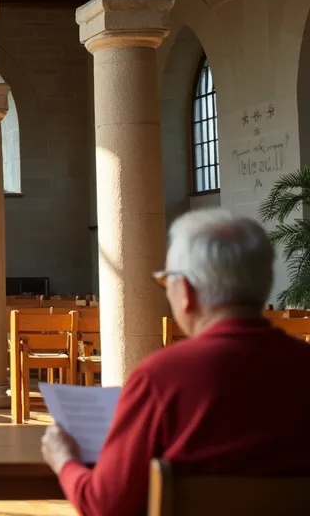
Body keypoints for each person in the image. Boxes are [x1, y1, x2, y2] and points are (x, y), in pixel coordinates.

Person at [41, 209, 310, 516]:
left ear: (186, 291)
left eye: (166, 280)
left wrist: (65, 461)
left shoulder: (163, 377)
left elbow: (105, 505)